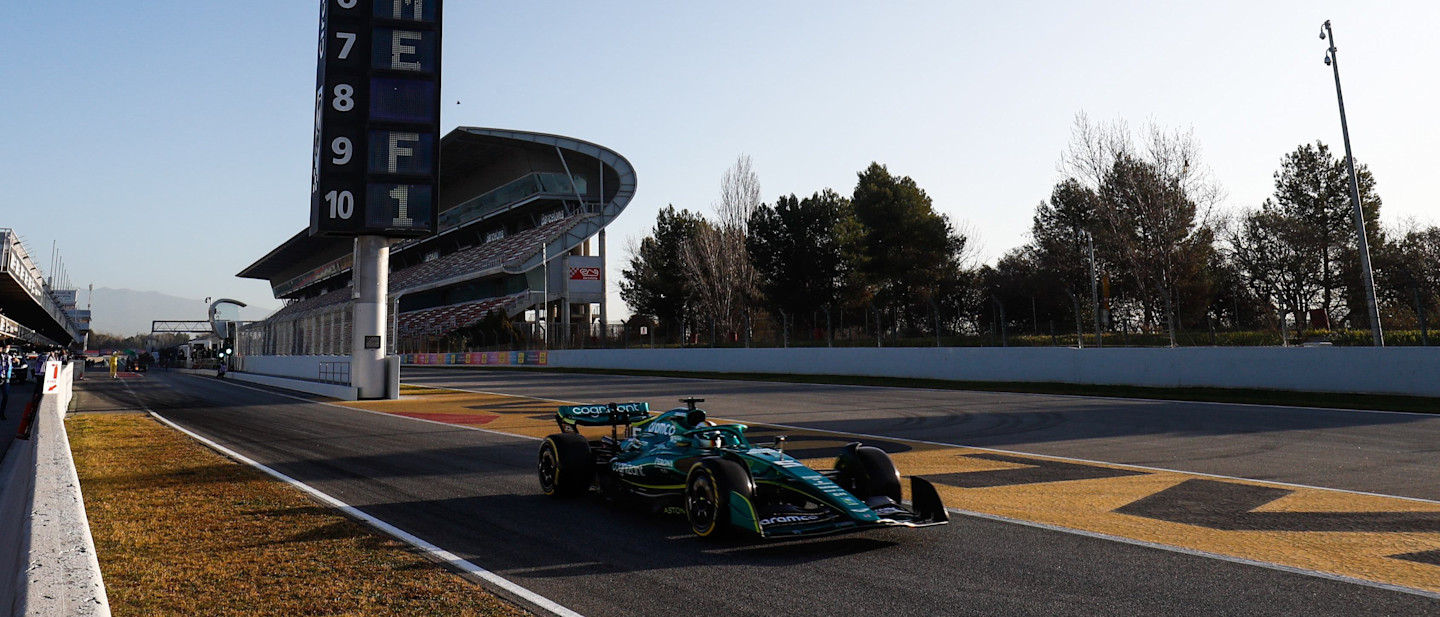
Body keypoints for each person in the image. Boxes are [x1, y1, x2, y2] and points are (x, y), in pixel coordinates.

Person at [0, 346, 13, 420]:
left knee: (5, 396)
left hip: (6, 378)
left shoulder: (9, 356)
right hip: (1, 377)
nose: (8, 349)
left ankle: (2, 413)